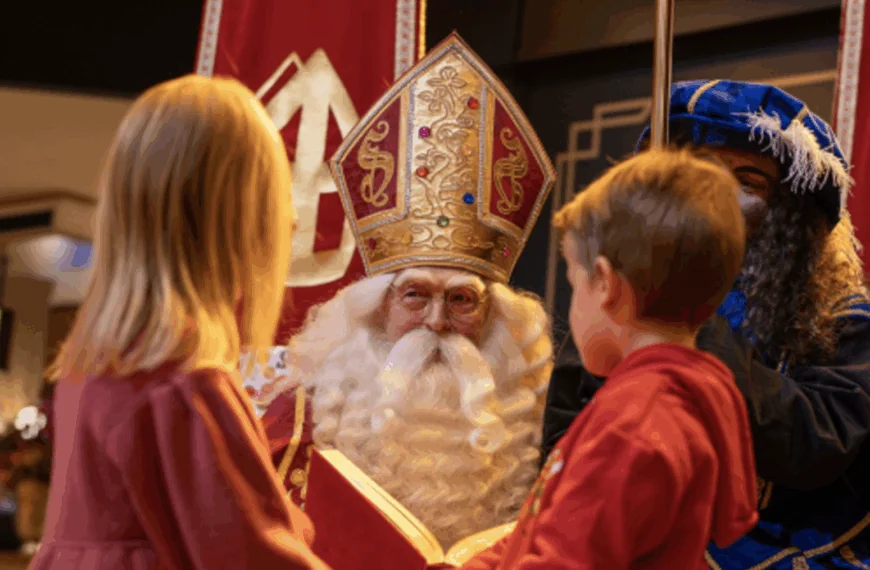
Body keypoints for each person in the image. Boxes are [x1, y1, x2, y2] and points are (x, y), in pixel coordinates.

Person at [247, 33, 557, 549]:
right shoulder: (298, 421)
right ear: (376, 306)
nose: (437, 321)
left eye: (461, 300)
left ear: (494, 316)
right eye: (415, 296)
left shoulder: (543, 431)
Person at [542, 80, 870, 568]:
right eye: (700, 173)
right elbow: (565, 436)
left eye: (748, 181)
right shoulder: (623, 299)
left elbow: (814, 446)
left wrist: (691, 316)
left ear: (788, 214)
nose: (718, 198)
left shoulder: (840, 316)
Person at [29, 75, 330, 570]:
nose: (291, 222)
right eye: (277, 196)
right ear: (234, 217)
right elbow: (252, 557)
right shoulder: (190, 382)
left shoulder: (95, 364)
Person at [461, 148, 758, 569]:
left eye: (573, 284)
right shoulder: (682, 397)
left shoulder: (632, 422)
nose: (572, 307)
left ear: (603, 283)